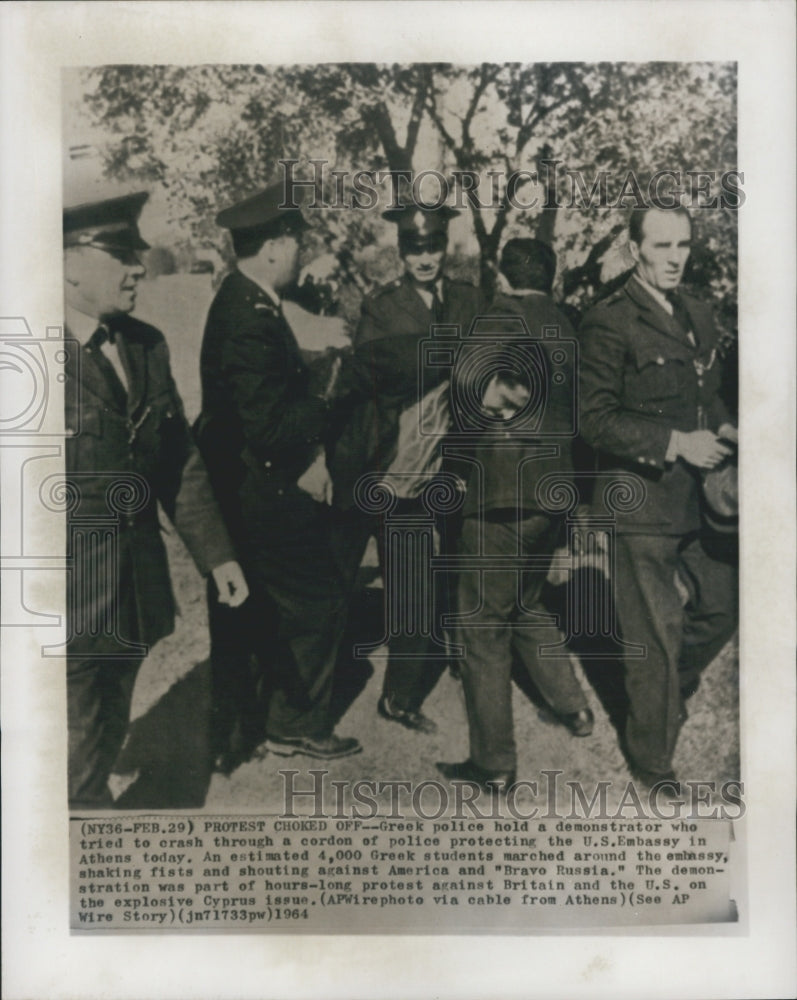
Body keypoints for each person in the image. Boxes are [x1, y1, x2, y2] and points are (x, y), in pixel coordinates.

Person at [63, 191, 248, 809]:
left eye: (135, 253)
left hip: (132, 588)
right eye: (119, 253)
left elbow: (180, 464)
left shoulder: (146, 344)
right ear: (69, 265)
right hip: (58, 593)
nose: (137, 267)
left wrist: (217, 555)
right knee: (70, 738)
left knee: (108, 717)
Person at [196, 183, 361, 762]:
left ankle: (246, 727)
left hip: (248, 486)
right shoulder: (249, 315)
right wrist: (330, 397)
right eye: (295, 242)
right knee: (321, 601)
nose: (299, 253)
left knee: (255, 612)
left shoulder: (249, 300)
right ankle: (294, 723)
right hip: (260, 493)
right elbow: (267, 427)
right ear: (272, 246)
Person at [578, 206, 738, 788]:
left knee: (723, 607)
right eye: (662, 245)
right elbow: (593, 420)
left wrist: (725, 429)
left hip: (702, 501)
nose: (675, 257)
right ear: (634, 246)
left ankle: (665, 689)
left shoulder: (698, 311)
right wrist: (675, 443)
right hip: (638, 501)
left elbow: (708, 396)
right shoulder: (608, 319)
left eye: (684, 245)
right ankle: (652, 759)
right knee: (653, 635)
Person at [437, 238, 594, 792]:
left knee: (481, 627)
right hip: (553, 490)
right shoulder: (565, 323)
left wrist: (490, 415)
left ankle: (495, 764)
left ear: (503, 275)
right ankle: (574, 708)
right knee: (526, 603)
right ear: (549, 278)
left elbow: (463, 385)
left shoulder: (499, 315)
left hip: (501, 491)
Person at [329, 203, 485, 734]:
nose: (425, 257)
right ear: (401, 251)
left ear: (446, 247)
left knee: (467, 571)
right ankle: (398, 695)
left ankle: (468, 658)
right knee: (412, 585)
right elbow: (376, 375)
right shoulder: (382, 306)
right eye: (414, 248)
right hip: (404, 469)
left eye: (433, 246)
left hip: (462, 460)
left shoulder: (469, 298)